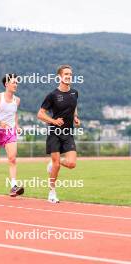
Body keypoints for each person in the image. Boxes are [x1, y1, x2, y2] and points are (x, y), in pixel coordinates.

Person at [37, 65, 80, 203]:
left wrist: (75, 117)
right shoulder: (52, 95)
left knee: (72, 164)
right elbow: (40, 114)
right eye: (66, 74)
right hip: (54, 132)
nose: (68, 76)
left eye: (70, 74)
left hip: (68, 132)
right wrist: (53, 121)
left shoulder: (74, 93)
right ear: (60, 76)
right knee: (56, 166)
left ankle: (54, 162)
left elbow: (73, 106)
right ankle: (52, 192)